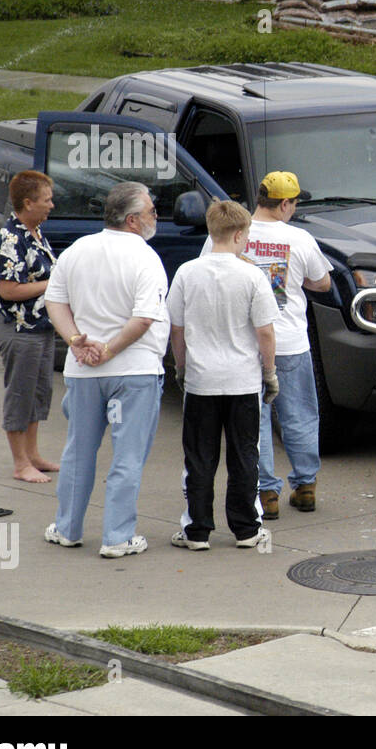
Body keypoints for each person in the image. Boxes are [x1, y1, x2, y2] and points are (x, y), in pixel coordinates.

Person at [43, 182, 169, 558]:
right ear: (133, 220)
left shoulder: (78, 251)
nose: (156, 217)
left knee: (78, 452)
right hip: (136, 369)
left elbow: (55, 301)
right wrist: (110, 350)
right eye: (151, 212)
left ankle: (67, 527)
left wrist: (76, 340)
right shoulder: (146, 258)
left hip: (83, 371)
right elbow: (144, 318)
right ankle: (117, 535)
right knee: (127, 456)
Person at [201, 171, 330, 516]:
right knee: (300, 415)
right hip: (289, 343)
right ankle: (305, 487)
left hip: (242, 345)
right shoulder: (300, 238)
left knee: (255, 422)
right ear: (285, 203)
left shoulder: (230, 231)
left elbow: (207, 273)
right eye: (294, 203)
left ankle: (266, 494)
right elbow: (323, 283)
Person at [168, 201, 279, 551]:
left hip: (201, 381)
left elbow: (177, 329)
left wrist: (181, 366)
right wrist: (270, 372)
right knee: (245, 455)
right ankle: (246, 528)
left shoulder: (187, 273)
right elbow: (265, 333)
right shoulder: (252, 276)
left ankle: (197, 529)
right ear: (238, 234)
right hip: (242, 381)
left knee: (199, 458)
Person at [0, 170, 61, 483]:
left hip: (39, 326)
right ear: (28, 203)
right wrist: (51, 284)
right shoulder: (9, 239)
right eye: (46, 200)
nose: (52, 205)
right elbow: (9, 290)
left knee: (39, 390)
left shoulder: (35, 233)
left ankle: (33, 454)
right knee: (21, 392)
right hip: (18, 328)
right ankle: (20, 464)